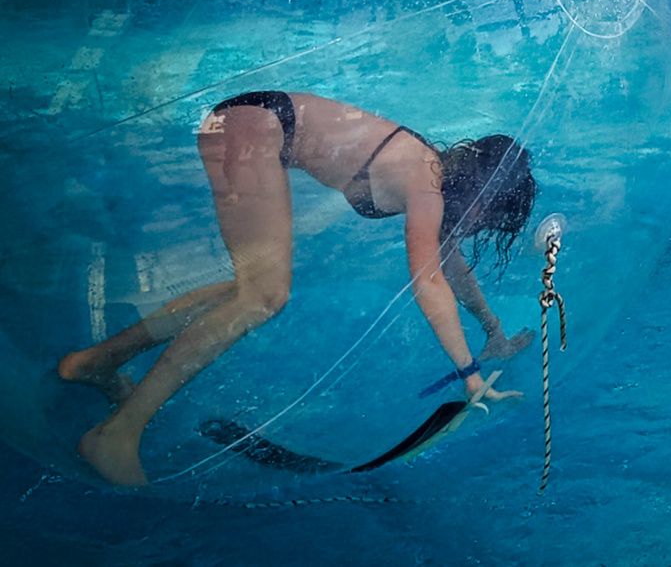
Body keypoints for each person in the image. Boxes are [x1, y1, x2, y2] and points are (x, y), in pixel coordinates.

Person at [57, 92, 537, 485]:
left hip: (255, 124)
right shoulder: (427, 179)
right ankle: (117, 434)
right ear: (482, 194)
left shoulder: (434, 185)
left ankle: (98, 362)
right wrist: (470, 377)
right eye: (489, 216)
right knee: (263, 296)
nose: (481, 227)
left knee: (248, 291)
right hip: (251, 126)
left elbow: (451, 268)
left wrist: (492, 331)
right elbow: (427, 280)